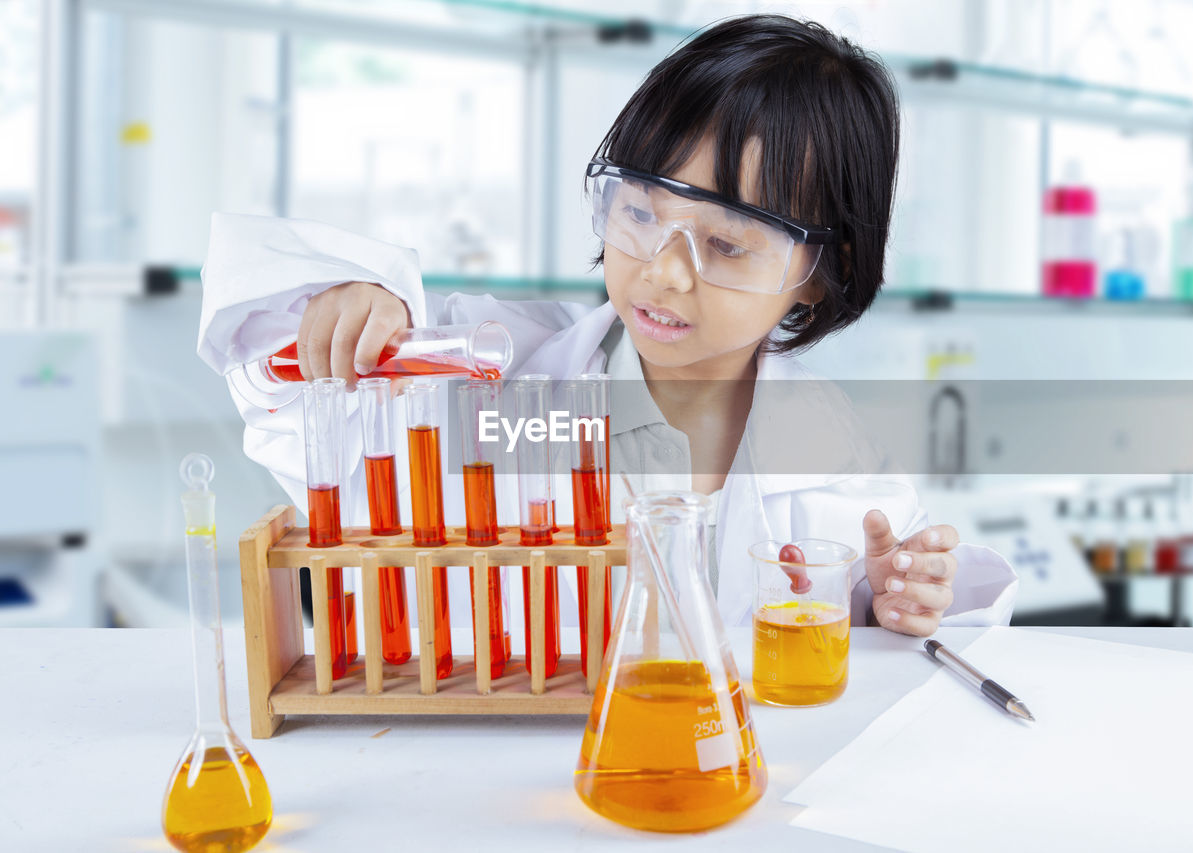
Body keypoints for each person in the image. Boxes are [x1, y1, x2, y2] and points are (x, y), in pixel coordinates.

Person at [197, 14, 1016, 637]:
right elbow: (276, 385)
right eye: (637, 211)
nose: (663, 269)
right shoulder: (497, 375)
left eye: (726, 243)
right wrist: (348, 308)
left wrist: (892, 602)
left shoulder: (835, 449)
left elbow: (916, 612)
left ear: (814, 275)